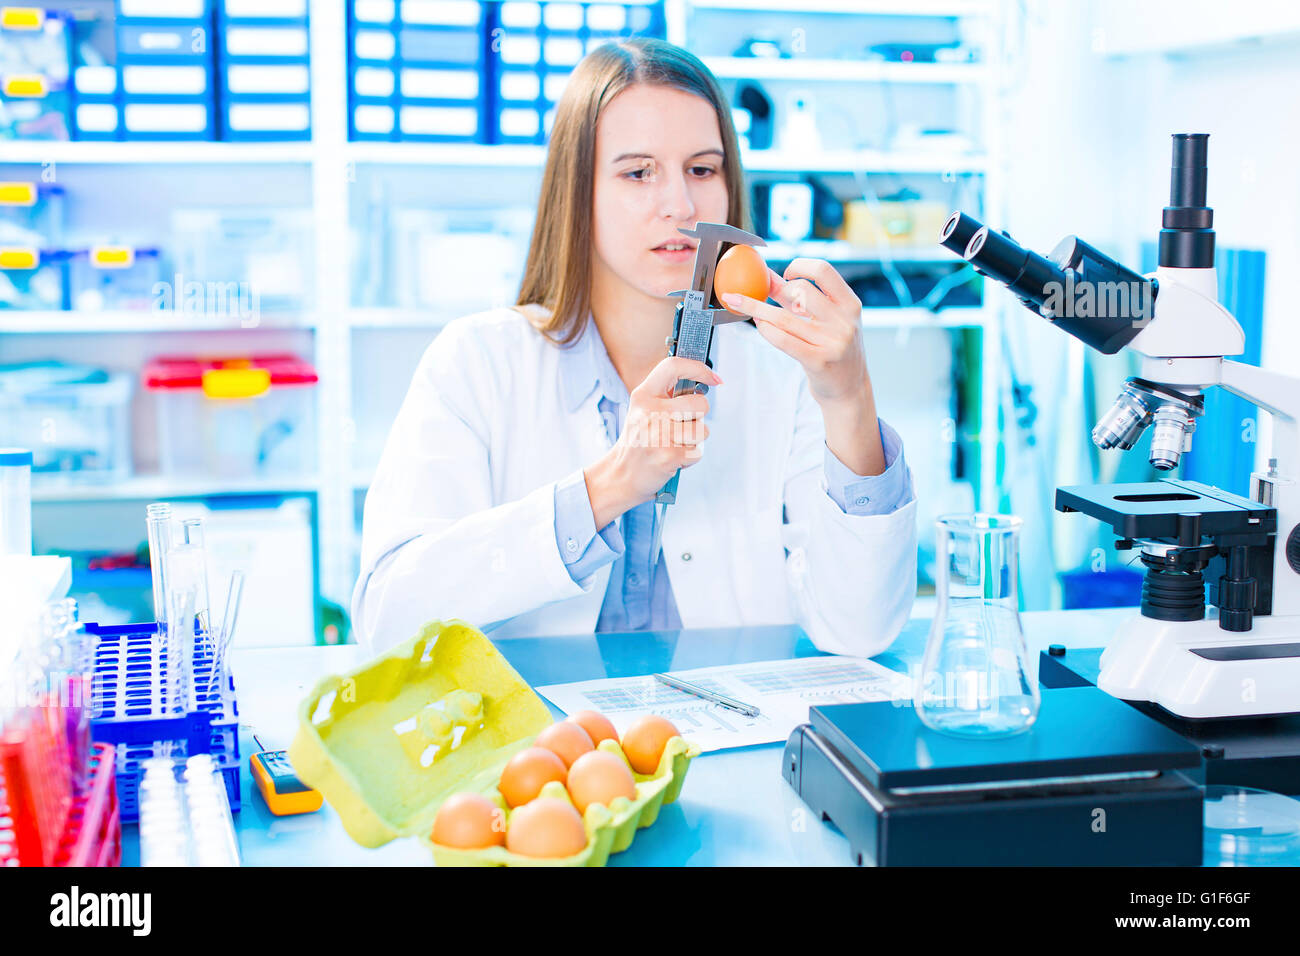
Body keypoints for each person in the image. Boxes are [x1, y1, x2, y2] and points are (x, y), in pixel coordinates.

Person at [353, 38, 917, 656]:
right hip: (543, 749)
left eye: (702, 170)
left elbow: (862, 630)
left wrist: (849, 398)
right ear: (578, 192)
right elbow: (387, 620)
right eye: (637, 172)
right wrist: (612, 485)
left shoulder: (785, 377)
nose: (679, 205)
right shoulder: (476, 363)